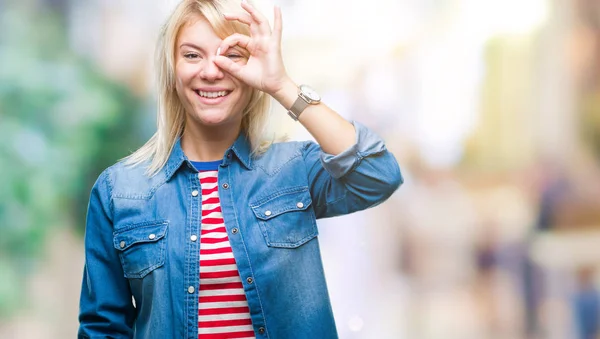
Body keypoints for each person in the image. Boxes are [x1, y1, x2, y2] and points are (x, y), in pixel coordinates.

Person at [77, 0, 402, 338]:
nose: (211, 70)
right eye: (192, 55)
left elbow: (379, 174)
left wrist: (282, 86)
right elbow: (103, 328)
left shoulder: (293, 170)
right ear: (171, 71)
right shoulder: (119, 191)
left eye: (231, 55)